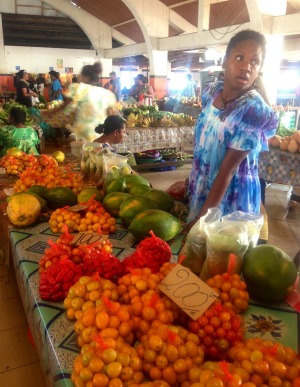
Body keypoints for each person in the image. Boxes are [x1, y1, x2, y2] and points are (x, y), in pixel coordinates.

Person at [185, 29, 278, 231]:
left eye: (255, 62)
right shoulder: (212, 92)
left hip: (231, 200)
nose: (246, 67)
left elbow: (227, 171)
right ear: (225, 61)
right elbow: (205, 145)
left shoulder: (253, 110)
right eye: (239, 57)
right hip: (203, 189)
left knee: (221, 256)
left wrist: (200, 222)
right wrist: (189, 182)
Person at [43, 62, 117, 142]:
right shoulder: (108, 94)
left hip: (84, 136)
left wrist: (50, 113)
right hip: (101, 137)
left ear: (86, 77)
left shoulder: (79, 88)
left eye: (80, 75)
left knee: (84, 153)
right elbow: (111, 117)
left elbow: (65, 106)